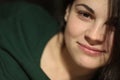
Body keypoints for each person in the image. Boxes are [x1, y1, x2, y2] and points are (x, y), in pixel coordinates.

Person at [0, 0, 120, 80]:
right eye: (85, 15)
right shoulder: (21, 18)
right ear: (67, 11)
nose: (94, 36)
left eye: (114, 25)